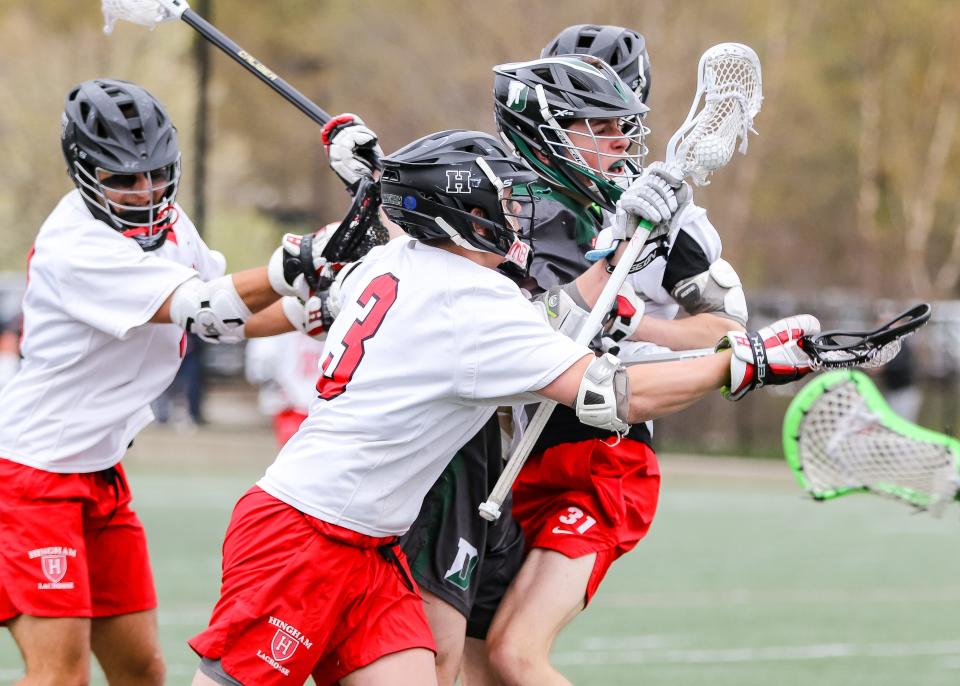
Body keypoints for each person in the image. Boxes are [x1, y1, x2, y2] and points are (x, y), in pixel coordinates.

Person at [186, 128, 817, 686]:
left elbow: (551, 316)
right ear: (463, 215)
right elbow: (615, 395)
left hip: (369, 549)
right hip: (304, 537)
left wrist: (622, 243)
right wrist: (743, 363)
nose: (516, 216)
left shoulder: (388, 262)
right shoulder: (471, 304)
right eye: (504, 203)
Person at [0, 78, 299, 685]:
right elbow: (207, 306)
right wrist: (301, 263)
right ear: (84, 173)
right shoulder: (76, 244)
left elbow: (230, 320)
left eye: (158, 174)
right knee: (60, 674)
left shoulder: (168, 218)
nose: (146, 191)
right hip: (32, 476)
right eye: (125, 179)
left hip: (99, 471)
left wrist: (313, 308)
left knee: (142, 670)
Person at [484, 49, 752, 685]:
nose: (618, 139)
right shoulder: (500, 209)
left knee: (514, 654)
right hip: (509, 454)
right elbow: (519, 333)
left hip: (606, 449)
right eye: (597, 124)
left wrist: (636, 325)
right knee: (475, 658)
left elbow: (726, 331)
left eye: (620, 121)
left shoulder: (670, 217)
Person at [244, 330, 327, 446]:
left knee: (296, 456)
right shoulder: (340, 317)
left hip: (292, 403)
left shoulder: (277, 319)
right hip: (325, 402)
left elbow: (262, 361)